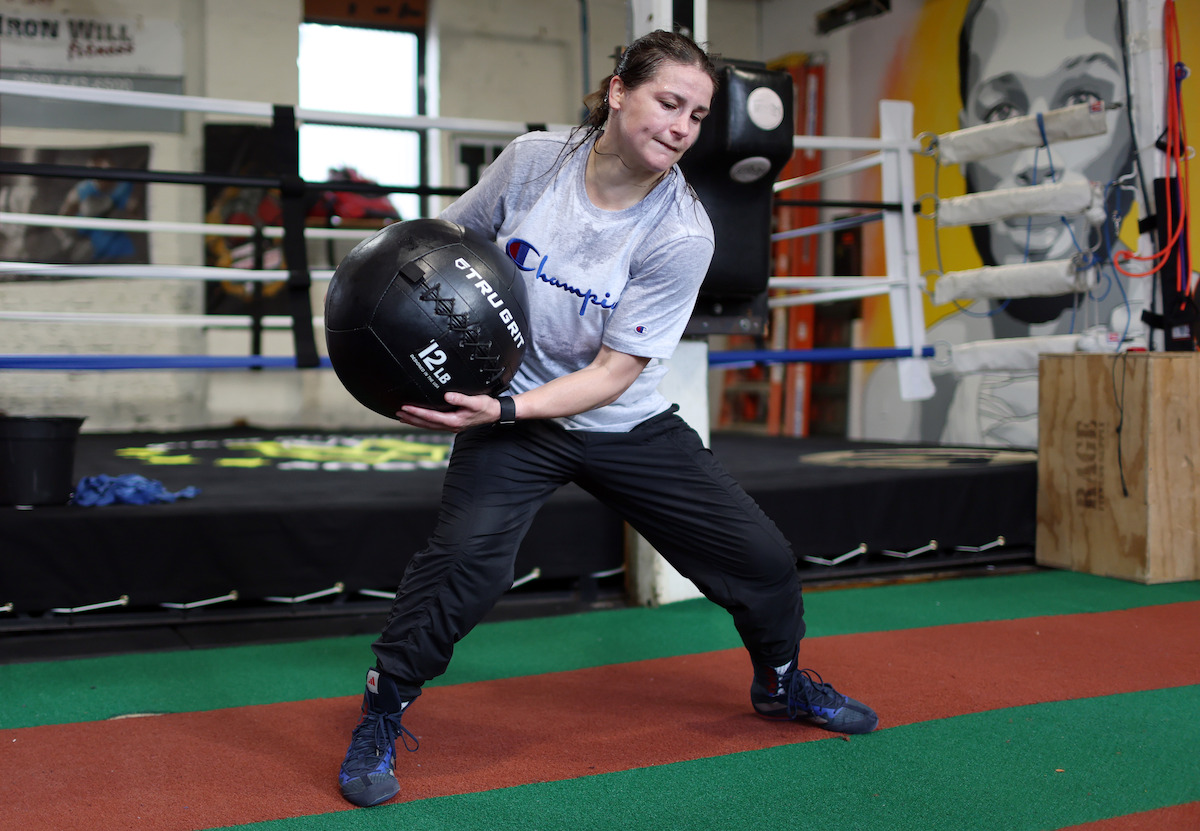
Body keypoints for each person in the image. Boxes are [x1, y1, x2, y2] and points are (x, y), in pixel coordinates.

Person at [337, 30, 878, 810]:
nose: (682, 127)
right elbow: (444, 246)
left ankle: (782, 682)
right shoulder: (535, 163)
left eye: (696, 115)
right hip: (514, 414)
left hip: (620, 417)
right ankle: (382, 711)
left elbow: (613, 374)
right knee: (465, 564)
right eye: (669, 102)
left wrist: (506, 406)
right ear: (619, 90)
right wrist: (378, 300)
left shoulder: (683, 232)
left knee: (760, 558)